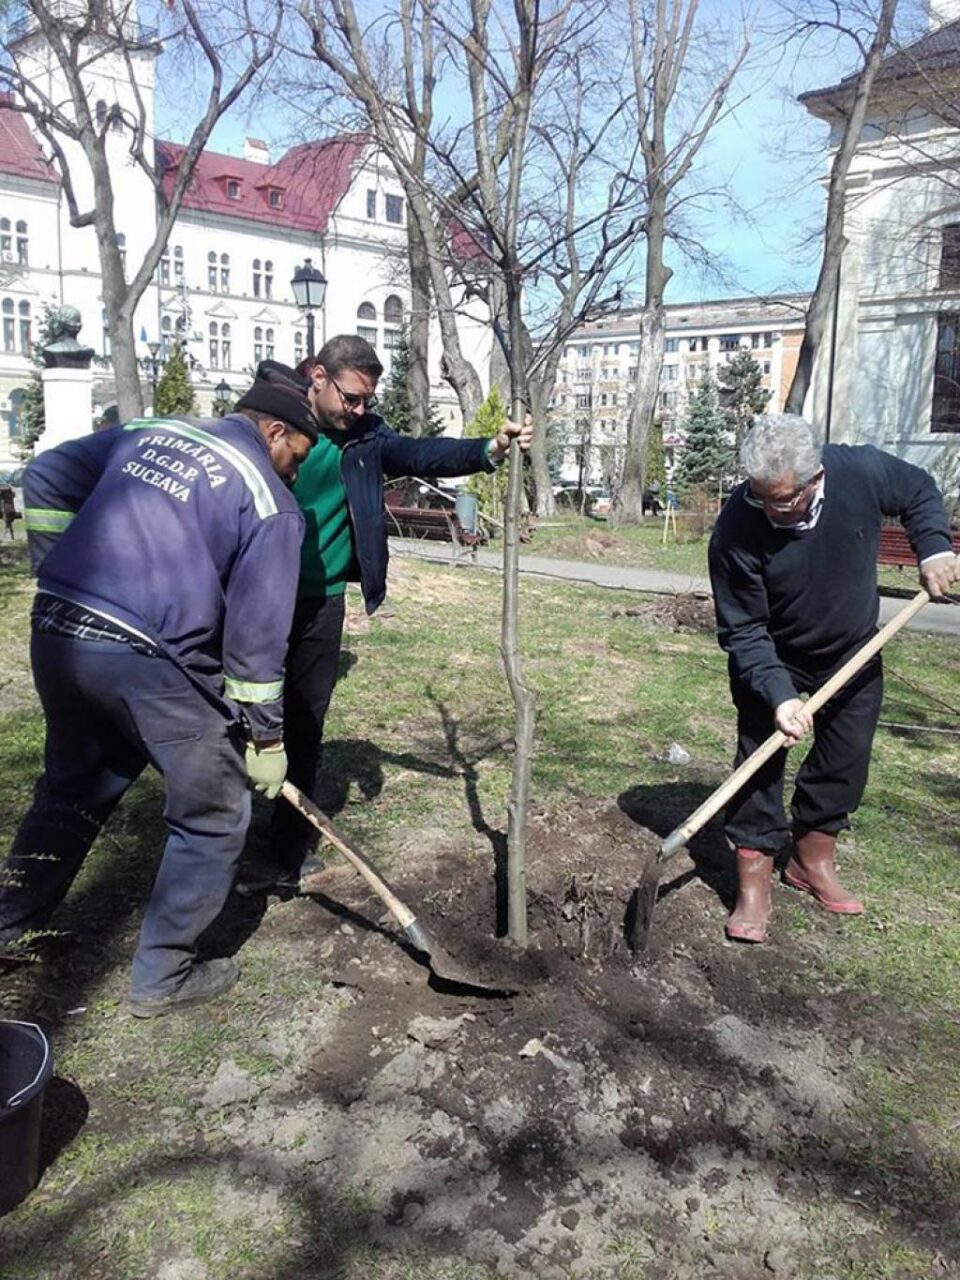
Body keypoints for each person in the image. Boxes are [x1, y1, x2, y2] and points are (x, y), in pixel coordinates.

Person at [0, 363, 319, 1015]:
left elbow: (48, 473)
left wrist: (58, 567)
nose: (295, 473)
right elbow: (256, 645)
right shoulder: (270, 502)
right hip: (147, 655)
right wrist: (265, 740)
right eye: (297, 456)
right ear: (274, 431)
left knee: (73, 786)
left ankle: (9, 925)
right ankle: (164, 976)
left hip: (59, 629)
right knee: (214, 811)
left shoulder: (153, 431)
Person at [259, 333, 533, 890]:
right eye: (352, 397)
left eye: (367, 401)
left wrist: (489, 449)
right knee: (242, 717)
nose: (360, 410)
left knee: (305, 725)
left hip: (321, 601)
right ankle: (217, 836)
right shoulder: (269, 421)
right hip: (257, 594)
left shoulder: (365, 438)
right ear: (318, 377)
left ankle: (286, 849)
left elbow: (421, 452)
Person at [708, 413, 958, 944]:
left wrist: (934, 547)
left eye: (780, 501)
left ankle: (810, 859)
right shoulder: (736, 524)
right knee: (758, 761)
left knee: (846, 758)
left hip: (853, 646)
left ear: (815, 479)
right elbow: (743, 628)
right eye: (759, 497)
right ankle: (753, 880)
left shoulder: (859, 471)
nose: (768, 511)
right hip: (773, 653)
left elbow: (918, 489)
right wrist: (779, 697)